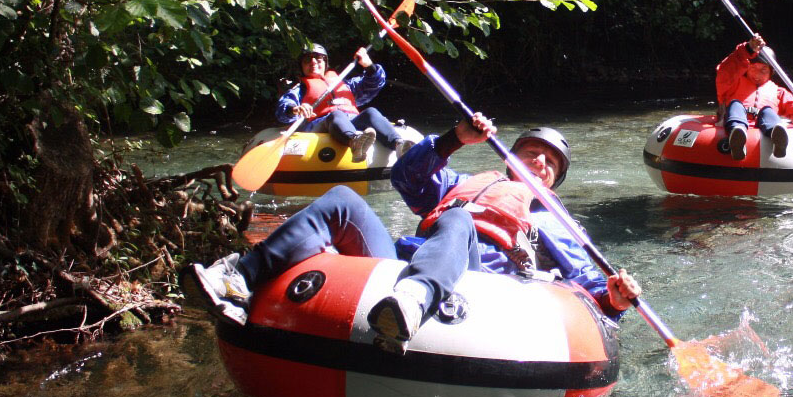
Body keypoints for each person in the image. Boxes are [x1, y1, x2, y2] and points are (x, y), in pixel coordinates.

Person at [191, 115, 641, 352]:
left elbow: (587, 283)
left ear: (554, 179)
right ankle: (239, 279)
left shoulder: (555, 221)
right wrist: (453, 139)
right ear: (509, 157)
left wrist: (612, 298)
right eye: (529, 152)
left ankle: (410, 303)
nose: (537, 162)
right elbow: (408, 177)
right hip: (405, 262)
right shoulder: (460, 183)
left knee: (459, 221)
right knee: (344, 199)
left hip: (482, 283)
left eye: (548, 162)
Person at [276, 43, 410, 161]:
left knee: (371, 112)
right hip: (321, 124)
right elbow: (284, 106)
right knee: (336, 114)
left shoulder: (343, 85)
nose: (313, 62)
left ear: (325, 63)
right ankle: (355, 143)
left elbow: (373, 83)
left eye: (318, 58)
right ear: (301, 66)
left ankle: (399, 145)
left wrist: (368, 66)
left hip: (350, 121)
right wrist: (295, 109)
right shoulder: (299, 89)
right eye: (307, 60)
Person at [715, 34, 793, 160]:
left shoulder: (778, 92)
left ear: (771, 72)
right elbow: (726, 70)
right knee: (735, 104)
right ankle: (737, 135)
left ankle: (776, 136)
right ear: (747, 68)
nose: (757, 74)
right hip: (735, 120)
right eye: (754, 68)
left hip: (764, 123)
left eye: (763, 69)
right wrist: (747, 50)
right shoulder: (732, 82)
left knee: (768, 111)